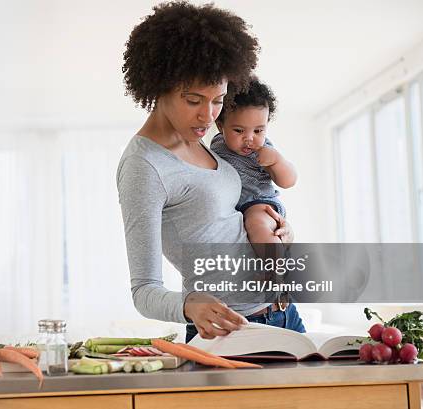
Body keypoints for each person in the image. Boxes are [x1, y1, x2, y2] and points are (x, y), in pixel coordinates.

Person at [117, 2, 305, 344]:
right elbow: (144, 291)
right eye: (193, 100)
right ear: (158, 87)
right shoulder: (143, 166)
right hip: (230, 331)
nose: (207, 115)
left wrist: (281, 230)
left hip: (283, 312)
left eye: (218, 100)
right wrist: (190, 304)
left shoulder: (207, 142)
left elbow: (232, 217)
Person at [211, 78, 297, 249]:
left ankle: (276, 270)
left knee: (258, 224)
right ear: (221, 126)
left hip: (259, 202)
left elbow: (289, 181)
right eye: (239, 130)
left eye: (258, 130)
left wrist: (276, 161)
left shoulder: (265, 150)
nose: (249, 138)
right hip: (233, 209)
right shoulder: (216, 146)